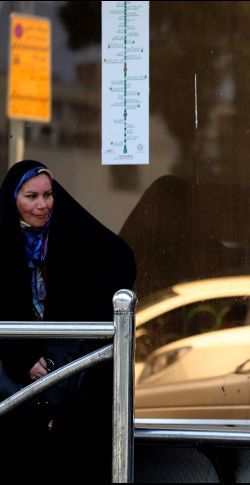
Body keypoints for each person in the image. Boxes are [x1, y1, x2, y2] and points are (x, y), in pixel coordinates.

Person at [0, 159, 136, 482]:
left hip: (67, 381)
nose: (42, 205)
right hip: (12, 389)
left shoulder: (69, 235)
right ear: (13, 200)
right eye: (31, 197)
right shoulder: (4, 241)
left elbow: (119, 260)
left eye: (48, 195)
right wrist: (21, 356)